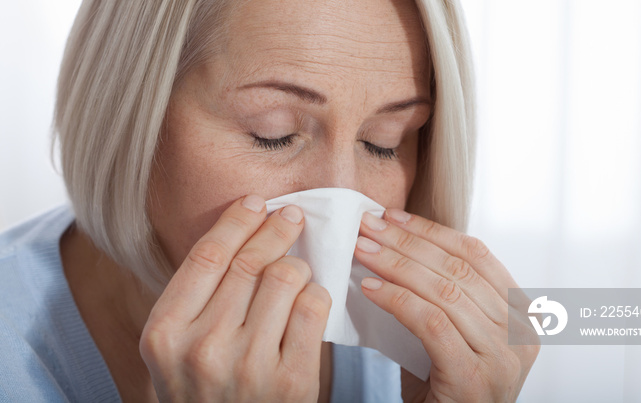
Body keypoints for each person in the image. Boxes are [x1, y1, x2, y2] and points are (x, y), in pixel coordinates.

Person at [0, 0, 539, 401]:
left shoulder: (397, 343)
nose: (342, 203)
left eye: (385, 141)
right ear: (128, 117)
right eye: (273, 133)